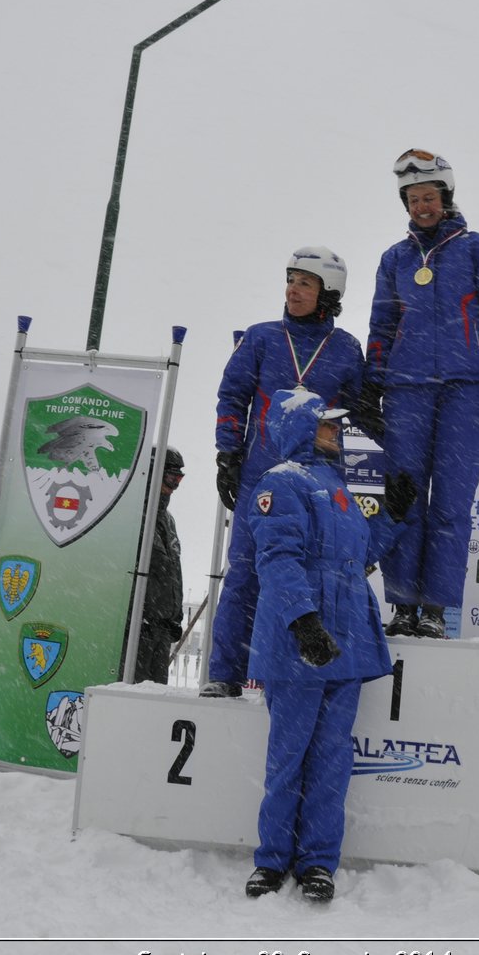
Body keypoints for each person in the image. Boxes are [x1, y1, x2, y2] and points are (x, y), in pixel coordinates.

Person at [241, 388, 416, 902]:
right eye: (325, 425)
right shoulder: (280, 484)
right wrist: (304, 624)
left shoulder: (337, 486)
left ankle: (318, 862)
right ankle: (272, 861)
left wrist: (392, 516)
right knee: (288, 757)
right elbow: (277, 559)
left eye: (336, 425)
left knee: (331, 761)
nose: (335, 432)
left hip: (347, 642)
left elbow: (359, 556)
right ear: (298, 427)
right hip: (303, 643)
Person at [359, 149, 479, 639]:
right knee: (404, 498)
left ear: (446, 198)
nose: (421, 207)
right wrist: (373, 381)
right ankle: (404, 604)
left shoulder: (478, 249)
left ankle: (435, 607)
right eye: (412, 200)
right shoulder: (395, 259)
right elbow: (381, 325)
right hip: (407, 390)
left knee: (451, 503)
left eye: (428, 197)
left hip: (467, 388)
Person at [202, 247, 370, 698]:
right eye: (291, 280)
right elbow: (232, 397)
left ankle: (306, 673)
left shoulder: (348, 349)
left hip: (319, 486)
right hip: (261, 477)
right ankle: (225, 673)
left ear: (328, 294)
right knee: (244, 574)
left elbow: (366, 411)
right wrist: (227, 454)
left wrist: (402, 461)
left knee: (315, 575)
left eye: (305, 283)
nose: (293, 290)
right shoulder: (261, 338)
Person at [133, 447, 185, 685]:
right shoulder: (134, 514)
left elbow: (174, 571)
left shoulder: (168, 520)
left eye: (179, 480)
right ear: (153, 474)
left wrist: (175, 615)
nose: (174, 486)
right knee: (130, 697)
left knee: (154, 703)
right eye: (171, 478)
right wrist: (136, 618)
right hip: (138, 629)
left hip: (161, 629)